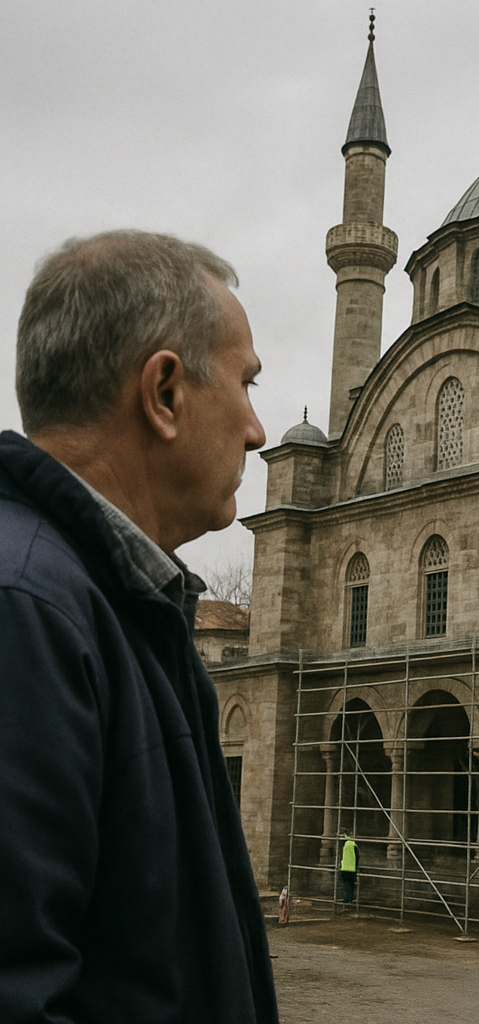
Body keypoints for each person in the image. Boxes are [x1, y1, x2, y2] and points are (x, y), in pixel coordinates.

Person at [0, 230, 278, 1022]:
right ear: (163, 393)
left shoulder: (119, 608)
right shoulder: (29, 611)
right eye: (245, 385)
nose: (258, 431)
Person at [338, 831, 359, 904]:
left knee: (346, 885)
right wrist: (357, 866)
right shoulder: (353, 844)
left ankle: (347, 898)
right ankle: (350, 899)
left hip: (344, 867)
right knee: (351, 885)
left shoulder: (345, 845)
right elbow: (357, 857)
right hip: (351, 868)